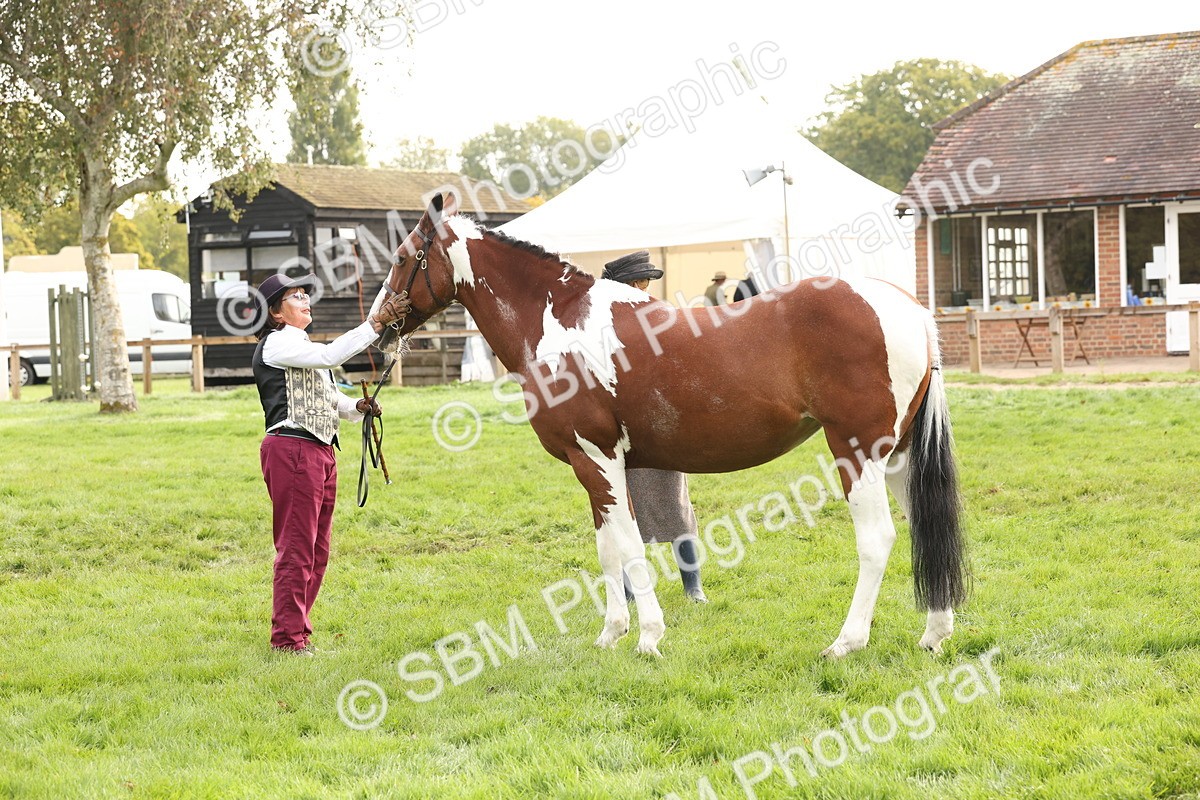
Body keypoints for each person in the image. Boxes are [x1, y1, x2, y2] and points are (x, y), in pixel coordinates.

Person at [252, 273, 411, 655]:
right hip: (292, 450)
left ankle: (298, 634)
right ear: (275, 313)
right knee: (296, 549)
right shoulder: (277, 344)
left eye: (306, 294)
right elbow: (330, 355)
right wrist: (375, 324)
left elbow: (328, 396)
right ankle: (287, 641)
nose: (306, 300)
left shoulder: (302, 345)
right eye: (295, 296)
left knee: (317, 550)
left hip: (320, 452)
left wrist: (356, 407)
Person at [602, 251, 707, 602]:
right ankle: (631, 593)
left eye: (645, 282)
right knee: (627, 515)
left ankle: (693, 588)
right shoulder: (603, 323)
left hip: (663, 423)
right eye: (638, 282)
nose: (643, 288)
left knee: (677, 509)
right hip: (623, 429)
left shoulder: (660, 316)